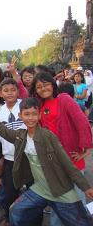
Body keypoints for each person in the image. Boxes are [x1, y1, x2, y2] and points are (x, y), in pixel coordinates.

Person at [0, 97, 93, 226]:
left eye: (34, 114)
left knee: (81, 222)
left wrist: (85, 187)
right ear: (20, 116)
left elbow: (67, 163)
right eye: (26, 114)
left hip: (60, 189)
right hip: (40, 189)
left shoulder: (48, 136)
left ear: (39, 115)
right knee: (15, 210)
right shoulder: (20, 135)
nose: (30, 118)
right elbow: (1, 129)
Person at [30, 72, 93, 226]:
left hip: (71, 157)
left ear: (52, 84)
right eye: (39, 87)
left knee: (77, 201)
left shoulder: (63, 99)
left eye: (45, 84)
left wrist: (86, 147)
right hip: (53, 161)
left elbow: (81, 121)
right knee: (59, 202)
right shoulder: (40, 106)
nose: (43, 88)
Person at [0, 78, 27, 225]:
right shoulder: (0, 112)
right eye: (6, 91)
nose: (9, 93)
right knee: (10, 193)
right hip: (9, 158)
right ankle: (9, 218)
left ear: (18, 91)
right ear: (0, 93)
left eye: (13, 90)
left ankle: (32, 220)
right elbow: (0, 138)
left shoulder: (24, 106)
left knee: (32, 192)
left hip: (27, 156)